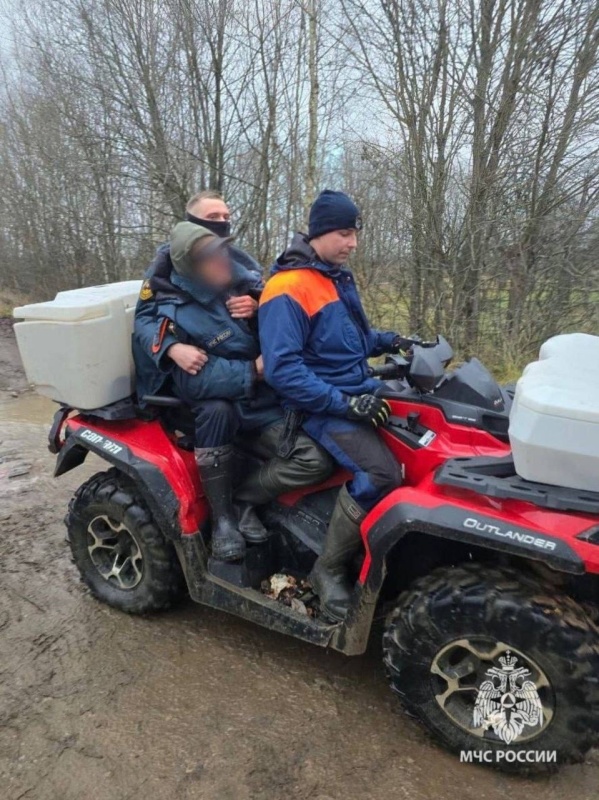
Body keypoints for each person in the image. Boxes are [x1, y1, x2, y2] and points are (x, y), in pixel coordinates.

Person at [133, 221, 333, 563]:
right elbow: (192, 381)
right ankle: (230, 511)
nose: (223, 259)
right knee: (312, 460)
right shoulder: (175, 312)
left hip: (271, 396)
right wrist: (252, 371)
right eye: (211, 256)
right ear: (192, 266)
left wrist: (258, 311)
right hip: (240, 406)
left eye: (222, 250)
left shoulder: (241, 285)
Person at [258, 190, 408, 621]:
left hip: (353, 391)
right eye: (345, 233)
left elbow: (351, 342)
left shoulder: (332, 277)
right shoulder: (287, 288)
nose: (353, 243)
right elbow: (283, 371)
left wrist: (394, 341)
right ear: (321, 232)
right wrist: (346, 405)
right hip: (316, 405)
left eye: (355, 233)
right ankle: (327, 570)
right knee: (380, 472)